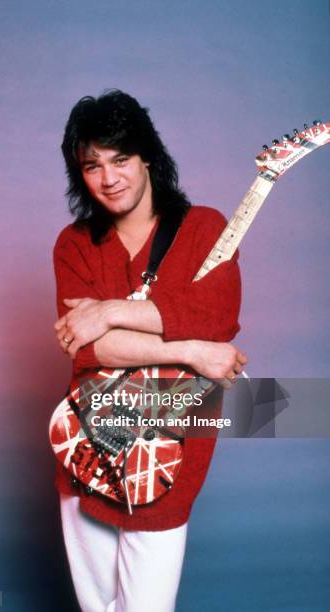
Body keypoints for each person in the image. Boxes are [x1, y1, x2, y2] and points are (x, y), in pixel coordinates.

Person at [52, 90, 247, 612]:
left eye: (120, 159)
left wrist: (107, 309)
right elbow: (93, 351)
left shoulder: (206, 228)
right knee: (96, 607)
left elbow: (217, 318)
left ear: (147, 159)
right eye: (92, 165)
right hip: (87, 441)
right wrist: (195, 352)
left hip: (172, 445)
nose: (108, 177)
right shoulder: (73, 244)